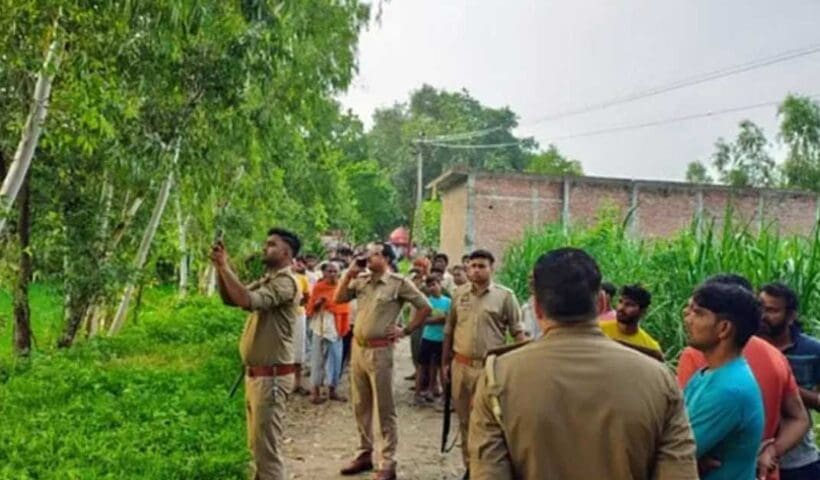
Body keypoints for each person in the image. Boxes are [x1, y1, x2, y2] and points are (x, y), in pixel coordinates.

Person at [468, 247, 697, 479]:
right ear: (600, 303)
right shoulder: (658, 378)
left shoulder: (498, 375)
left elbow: (488, 473)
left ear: (537, 307)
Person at [677, 274, 809, 480]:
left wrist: (687, 457)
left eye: (698, 313)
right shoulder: (710, 372)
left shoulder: (729, 389)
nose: (687, 318)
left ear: (724, 328)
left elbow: (674, 451)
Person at [211, 227, 302, 480]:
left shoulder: (286, 283)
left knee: (267, 454)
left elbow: (246, 300)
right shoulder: (269, 279)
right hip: (258, 378)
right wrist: (220, 269)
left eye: (271, 244)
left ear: (286, 252)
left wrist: (225, 265)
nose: (265, 248)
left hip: (271, 379)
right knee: (257, 450)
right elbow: (231, 298)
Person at [335, 242, 432, 480]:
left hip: (381, 352)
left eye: (376, 254)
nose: (370, 257)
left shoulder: (398, 283)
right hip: (359, 350)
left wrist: (405, 330)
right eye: (369, 253)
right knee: (360, 404)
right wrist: (350, 271)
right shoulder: (362, 281)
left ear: (387, 258)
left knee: (384, 407)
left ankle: (387, 461)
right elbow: (338, 298)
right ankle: (364, 452)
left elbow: (424, 307)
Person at [442, 249, 525, 479]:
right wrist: (444, 363)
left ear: (492, 268)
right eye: (473, 266)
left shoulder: (505, 297)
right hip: (460, 365)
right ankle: (470, 468)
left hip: (489, 369)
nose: (476, 270)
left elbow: (518, 334)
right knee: (464, 421)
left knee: (488, 422)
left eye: (481, 266)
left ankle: (490, 468)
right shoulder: (459, 294)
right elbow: (449, 331)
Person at [758, 282, 820, 480]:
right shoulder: (747, 347)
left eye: (772, 310)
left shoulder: (812, 351)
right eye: (760, 308)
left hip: (798, 458)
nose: (763, 316)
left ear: (791, 316)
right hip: (755, 457)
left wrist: (785, 386)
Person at [306, 261, 350, 404]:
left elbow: (344, 308)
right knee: (317, 359)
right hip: (320, 325)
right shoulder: (319, 287)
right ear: (324, 272)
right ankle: (315, 392)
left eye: (334, 271)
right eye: (329, 271)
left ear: (339, 273)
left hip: (336, 327)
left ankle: (332, 390)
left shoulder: (342, 288)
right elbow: (311, 307)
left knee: (336, 359)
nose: (331, 274)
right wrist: (318, 303)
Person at [599, 284, 664, 360]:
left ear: (643, 311)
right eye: (620, 302)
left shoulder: (650, 347)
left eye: (629, 304)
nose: (621, 308)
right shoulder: (599, 330)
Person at [415, 275, 450, 403]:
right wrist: (441, 319)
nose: (432, 288)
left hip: (442, 339)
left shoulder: (448, 302)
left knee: (441, 367)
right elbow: (423, 321)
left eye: (434, 284)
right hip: (428, 338)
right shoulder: (426, 302)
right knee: (423, 367)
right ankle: (418, 394)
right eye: (429, 286)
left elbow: (450, 320)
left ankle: (444, 397)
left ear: (440, 284)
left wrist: (434, 320)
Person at [291, 258, 312, 396]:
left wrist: (297, 305)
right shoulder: (273, 278)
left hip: (298, 315)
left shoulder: (302, 278)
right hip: (281, 318)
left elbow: (307, 297)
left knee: (298, 350)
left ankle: (297, 383)